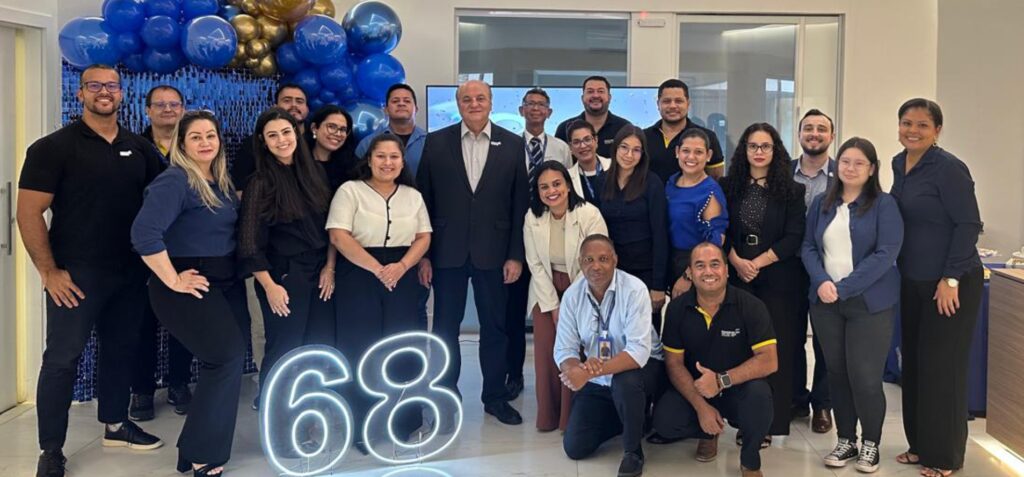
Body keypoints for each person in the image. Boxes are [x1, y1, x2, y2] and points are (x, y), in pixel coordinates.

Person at [18, 65, 164, 477]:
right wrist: (49, 272)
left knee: (120, 350)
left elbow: (162, 202)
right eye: (95, 85)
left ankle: (116, 425)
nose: (104, 92)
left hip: (130, 273)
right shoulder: (52, 148)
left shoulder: (140, 148)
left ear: (122, 94)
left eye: (112, 85)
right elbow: (28, 212)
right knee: (62, 360)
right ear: (80, 94)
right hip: (75, 275)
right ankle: (51, 450)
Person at [131, 110, 249, 477]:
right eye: (195, 136)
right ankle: (202, 455)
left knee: (228, 359)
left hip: (224, 280)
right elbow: (143, 233)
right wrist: (173, 279)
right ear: (181, 144)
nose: (205, 142)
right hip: (189, 281)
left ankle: (194, 449)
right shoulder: (175, 180)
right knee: (224, 357)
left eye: (210, 135)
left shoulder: (220, 181)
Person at [416, 80, 529, 425]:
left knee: (495, 328)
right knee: (445, 328)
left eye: (481, 98)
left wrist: (516, 255)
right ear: (458, 104)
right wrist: (423, 255)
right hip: (445, 253)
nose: (474, 103)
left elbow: (519, 205)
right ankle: (445, 396)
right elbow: (423, 201)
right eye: (467, 99)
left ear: (491, 102)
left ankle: (494, 397)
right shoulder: (436, 142)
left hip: (495, 253)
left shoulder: (512, 144)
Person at [890, 99, 983, 477]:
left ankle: (945, 457)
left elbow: (969, 225)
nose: (912, 130)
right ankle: (919, 445)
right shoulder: (898, 164)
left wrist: (951, 278)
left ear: (937, 130)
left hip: (950, 284)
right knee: (914, 366)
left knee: (943, 369)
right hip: (912, 281)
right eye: (906, 123)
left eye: (922, 125)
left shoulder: (949, 168)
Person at [801, 137, 903, 473]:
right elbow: (808, 247)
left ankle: (871, 443)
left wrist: (842, 289)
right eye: (845, 161)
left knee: (865, 377)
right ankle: (846, 440)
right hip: (825, 303)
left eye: (859, 163)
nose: (851, 168)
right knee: (837, 373)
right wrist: (821, 282)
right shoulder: (822, 203)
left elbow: (885, 254)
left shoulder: (884, 205)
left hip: (869, 305)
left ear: (872, 169)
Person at [328, 133, 432, 447]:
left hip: (402, 275)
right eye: (381, 156)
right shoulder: (350, 191)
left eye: (394, 157)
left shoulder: (413, 196)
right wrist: (377, 268)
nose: (388, 162)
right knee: (359, 348)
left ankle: (403, 422)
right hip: (358, 274)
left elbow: (424, 237)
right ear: (369, 160)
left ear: (402, 162)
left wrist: (401, 267)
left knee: (401, 347)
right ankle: (361, 424)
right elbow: (338, 236)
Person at [650, 242, 777, 477]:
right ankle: (708, 433)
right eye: (700, 265)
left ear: (727, 270)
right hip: (697, 388)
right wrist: (701, 408)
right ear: (690, 273)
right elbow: (674, 364)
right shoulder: (677, 309)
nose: (708, 271)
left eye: (715, 264)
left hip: (737, 388)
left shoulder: (751, 306)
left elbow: (769, 361)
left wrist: (721, 380)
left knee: (760, 396)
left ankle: (750, 460)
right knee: (665, 421)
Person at [239, 107, 336, 410]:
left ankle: (307, 410)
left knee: (318, 344)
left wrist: (330, 267)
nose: (281, 140)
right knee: (284, 348)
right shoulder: (260, 182)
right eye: (272, 135)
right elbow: (248, 244)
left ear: (297, 132)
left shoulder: (315, 173)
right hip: (283, 277)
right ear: (263, 141)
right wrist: (270, 286)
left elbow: (331, 227)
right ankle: (274, 414)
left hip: (320, 274)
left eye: (286, 132)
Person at [720, 122, 806, 439]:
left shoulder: (792, 190)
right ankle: (744, 420)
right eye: (753, 146)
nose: (759, 152)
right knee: (741, 349)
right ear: (744, 150)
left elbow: (794, 236)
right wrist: (736, 261)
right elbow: (720, 229)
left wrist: (756, 263)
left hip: (779, 279)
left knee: (775, 348)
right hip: (737, 276)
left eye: (765, 146)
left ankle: (771, 423)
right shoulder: (728, 186)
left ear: (775, 151)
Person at [555, 234, 664, 477]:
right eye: (589, 260)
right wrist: (573, 368)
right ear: (580, 263)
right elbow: (564, 349)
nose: (596, 266)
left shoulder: (634, 289)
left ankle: (633, 451)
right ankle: (634, 416)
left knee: (625, 382)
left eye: (603, 259)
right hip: (598, 375)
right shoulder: (572, 296)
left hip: (641, 368)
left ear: (615, 260)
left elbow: (638, 352)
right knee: (575, 447)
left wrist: (588, 372)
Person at [523, 161, 608, 432]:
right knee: (547, 350)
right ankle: (549, 417)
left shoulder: (589, 214)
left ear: (568, 185)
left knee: (576, 349)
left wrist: (568, 305)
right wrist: (553, 306)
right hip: (545, 289)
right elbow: (535, 264)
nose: (552, 191)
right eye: (544, 187)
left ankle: (571, 419)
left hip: (584, 286)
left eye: (557, 184)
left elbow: (596, 262)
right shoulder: (532, 217)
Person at [130, 84, 196, 421]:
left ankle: (179, 383)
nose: (168, 109)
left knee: (182, 321)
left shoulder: (194, 147)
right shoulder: (132, 147)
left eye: (174, 104)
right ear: (147, 110)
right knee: (142, 323)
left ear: (183, 109)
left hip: (184, 248)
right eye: (160, 104)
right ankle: (141, 390)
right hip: (144, 251)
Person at [505, 87, 575, 399]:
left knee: (559, 317)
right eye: (529, 104)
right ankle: (514, 373)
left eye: (541, 105)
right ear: (521, 111)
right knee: (513, 311)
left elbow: (568, 188)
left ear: (549, 112)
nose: (535, 109)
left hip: (552, 236)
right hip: (518, 234)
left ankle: (564, 377)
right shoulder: (508, 145)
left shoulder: (561, 148)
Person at [592, 125, 669, 329]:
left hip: (645, 273)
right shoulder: (601, 181)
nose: (629, 155)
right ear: (615, 148)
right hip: (612, 271)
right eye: (624, 147)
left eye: (636, 150)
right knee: (611, 330)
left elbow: (660, 235)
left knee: (643, 333)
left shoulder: (652, 183)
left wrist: (658, 285)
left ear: (643, 154)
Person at [791, 109, 838, 431]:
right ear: (799, 134)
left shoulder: (842, 174)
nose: (814, 134)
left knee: (826, 340)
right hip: (788, 268)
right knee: (791, 336)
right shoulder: (782, 172)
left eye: (821, 129)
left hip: (827, 269)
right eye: (808, 128)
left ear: (831, 136)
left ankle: (823, 404)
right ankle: (795, 398)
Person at [666, 128, 728, 300]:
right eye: (686, 151)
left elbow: (715, 242)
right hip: (670, 260)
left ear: (708, 155)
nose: (691, 157)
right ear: (677, 152)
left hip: (695, 267)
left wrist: (688, 275)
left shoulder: (710, 191)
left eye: (698, 152)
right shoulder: (671, 183)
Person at [230, 83, 309, 191]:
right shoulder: (253, 144)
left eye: (299, 101)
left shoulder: (314, 141)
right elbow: (239, 189)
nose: (294, 105)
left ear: (307, 108)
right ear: (275, 107)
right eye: (287, 100)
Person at [645, 79, 725, 182]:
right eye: (666, 101)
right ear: (658, 104)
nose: (672, 106)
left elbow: (716, 178)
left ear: (688, 104)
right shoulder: (643, 137)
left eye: (678, 101)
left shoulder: (708, 137)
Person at [356, 83, 428, 175]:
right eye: (395, 101)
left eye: (407, 101)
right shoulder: (367, 144)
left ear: (416, 109)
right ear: (386, 110)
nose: (401, 104)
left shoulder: (429, 142)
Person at [554, 76, 631, 158]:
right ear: (582, 98)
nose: (595, 95)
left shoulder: (624, 127)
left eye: (600, 91)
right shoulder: (564, 129)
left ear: (609, 97)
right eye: (590, 91)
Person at [308, 105, 359, 191]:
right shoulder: (297, 161)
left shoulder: (353, 166)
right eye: (331, 127)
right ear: (314, 128)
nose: (338, 134)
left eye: (343, 129)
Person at [566, 120, 611, 204]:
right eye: (576, 142)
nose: (583, 146)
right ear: (570, 147)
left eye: (587, 139)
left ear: (596, 140)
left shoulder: (614, 166)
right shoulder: (567, 178)